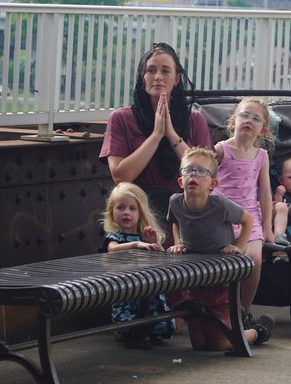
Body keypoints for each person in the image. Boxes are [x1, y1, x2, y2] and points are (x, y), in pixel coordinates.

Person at [99, 42, 212, 242]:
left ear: (177, 79)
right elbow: (121, 176)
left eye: (165, 71)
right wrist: (156, 135)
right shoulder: (121, 118)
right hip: (138, 210)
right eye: (151, 70)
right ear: (143, 78)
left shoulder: (195, 120)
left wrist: (171, 134)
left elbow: (205, 172)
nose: (157, 77)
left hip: (182, 207)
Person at [166, 147, 274, 351]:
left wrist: (238, 247)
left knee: (220, 343)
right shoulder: (176, 202)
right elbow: (175, 221)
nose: (193, 175)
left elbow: (247, 220)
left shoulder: (220, 205)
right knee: (199, 345)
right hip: (196, 277)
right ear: (180, 181)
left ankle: (257, 332)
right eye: (188, 171)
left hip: (222, 279)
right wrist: (179, 242)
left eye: (201, 172)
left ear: (213, 184)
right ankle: (216, 329)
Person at [212, 98, 274, 322]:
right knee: (219, 261)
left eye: (256, 118)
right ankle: (217, 308)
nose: (249, 121)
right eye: (245, 115)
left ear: (263, 129)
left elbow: (265, 193)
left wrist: (267, 227)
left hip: (249, 217)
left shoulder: (261, 156)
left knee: (254, 259)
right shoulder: (221, 150)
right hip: (221, 217)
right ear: (233, 121)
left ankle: (242, 310)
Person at [100, 182, 175, 348]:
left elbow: (163, 258)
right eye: (120, 208)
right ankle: (130, 335)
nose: (126, 212)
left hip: (149, 287)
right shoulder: (115, 237)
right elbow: (112, 250)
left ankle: (153, 334)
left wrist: (154, 243)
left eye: (132, 208)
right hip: (126, 290)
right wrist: (135, 245)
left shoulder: (144, 236)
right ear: (112, 212)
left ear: (140, 212)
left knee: (158, 315)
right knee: (129, 318)